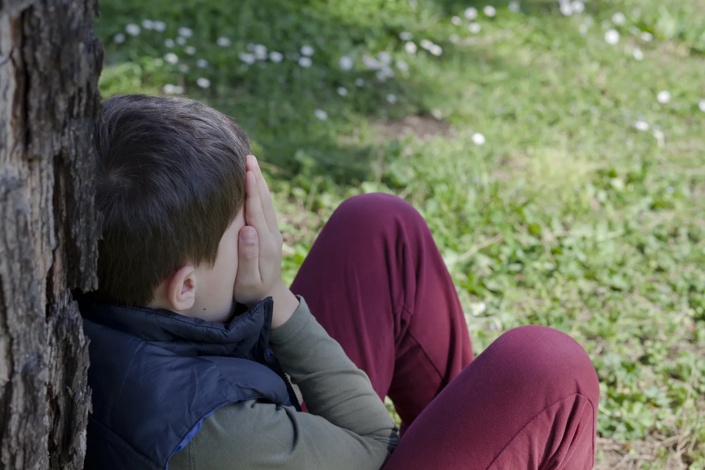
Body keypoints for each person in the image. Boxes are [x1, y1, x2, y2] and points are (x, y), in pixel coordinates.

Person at [79, 94, 600, 470]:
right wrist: (276, 299)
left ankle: (490, 439)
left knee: (376, 226)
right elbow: (374, 444)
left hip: (257, 423)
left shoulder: (110, 292)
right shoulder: (215, 437)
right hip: (281, 439)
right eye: (242, 229)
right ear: (185, 287)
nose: (260, 234)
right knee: (548, 368)